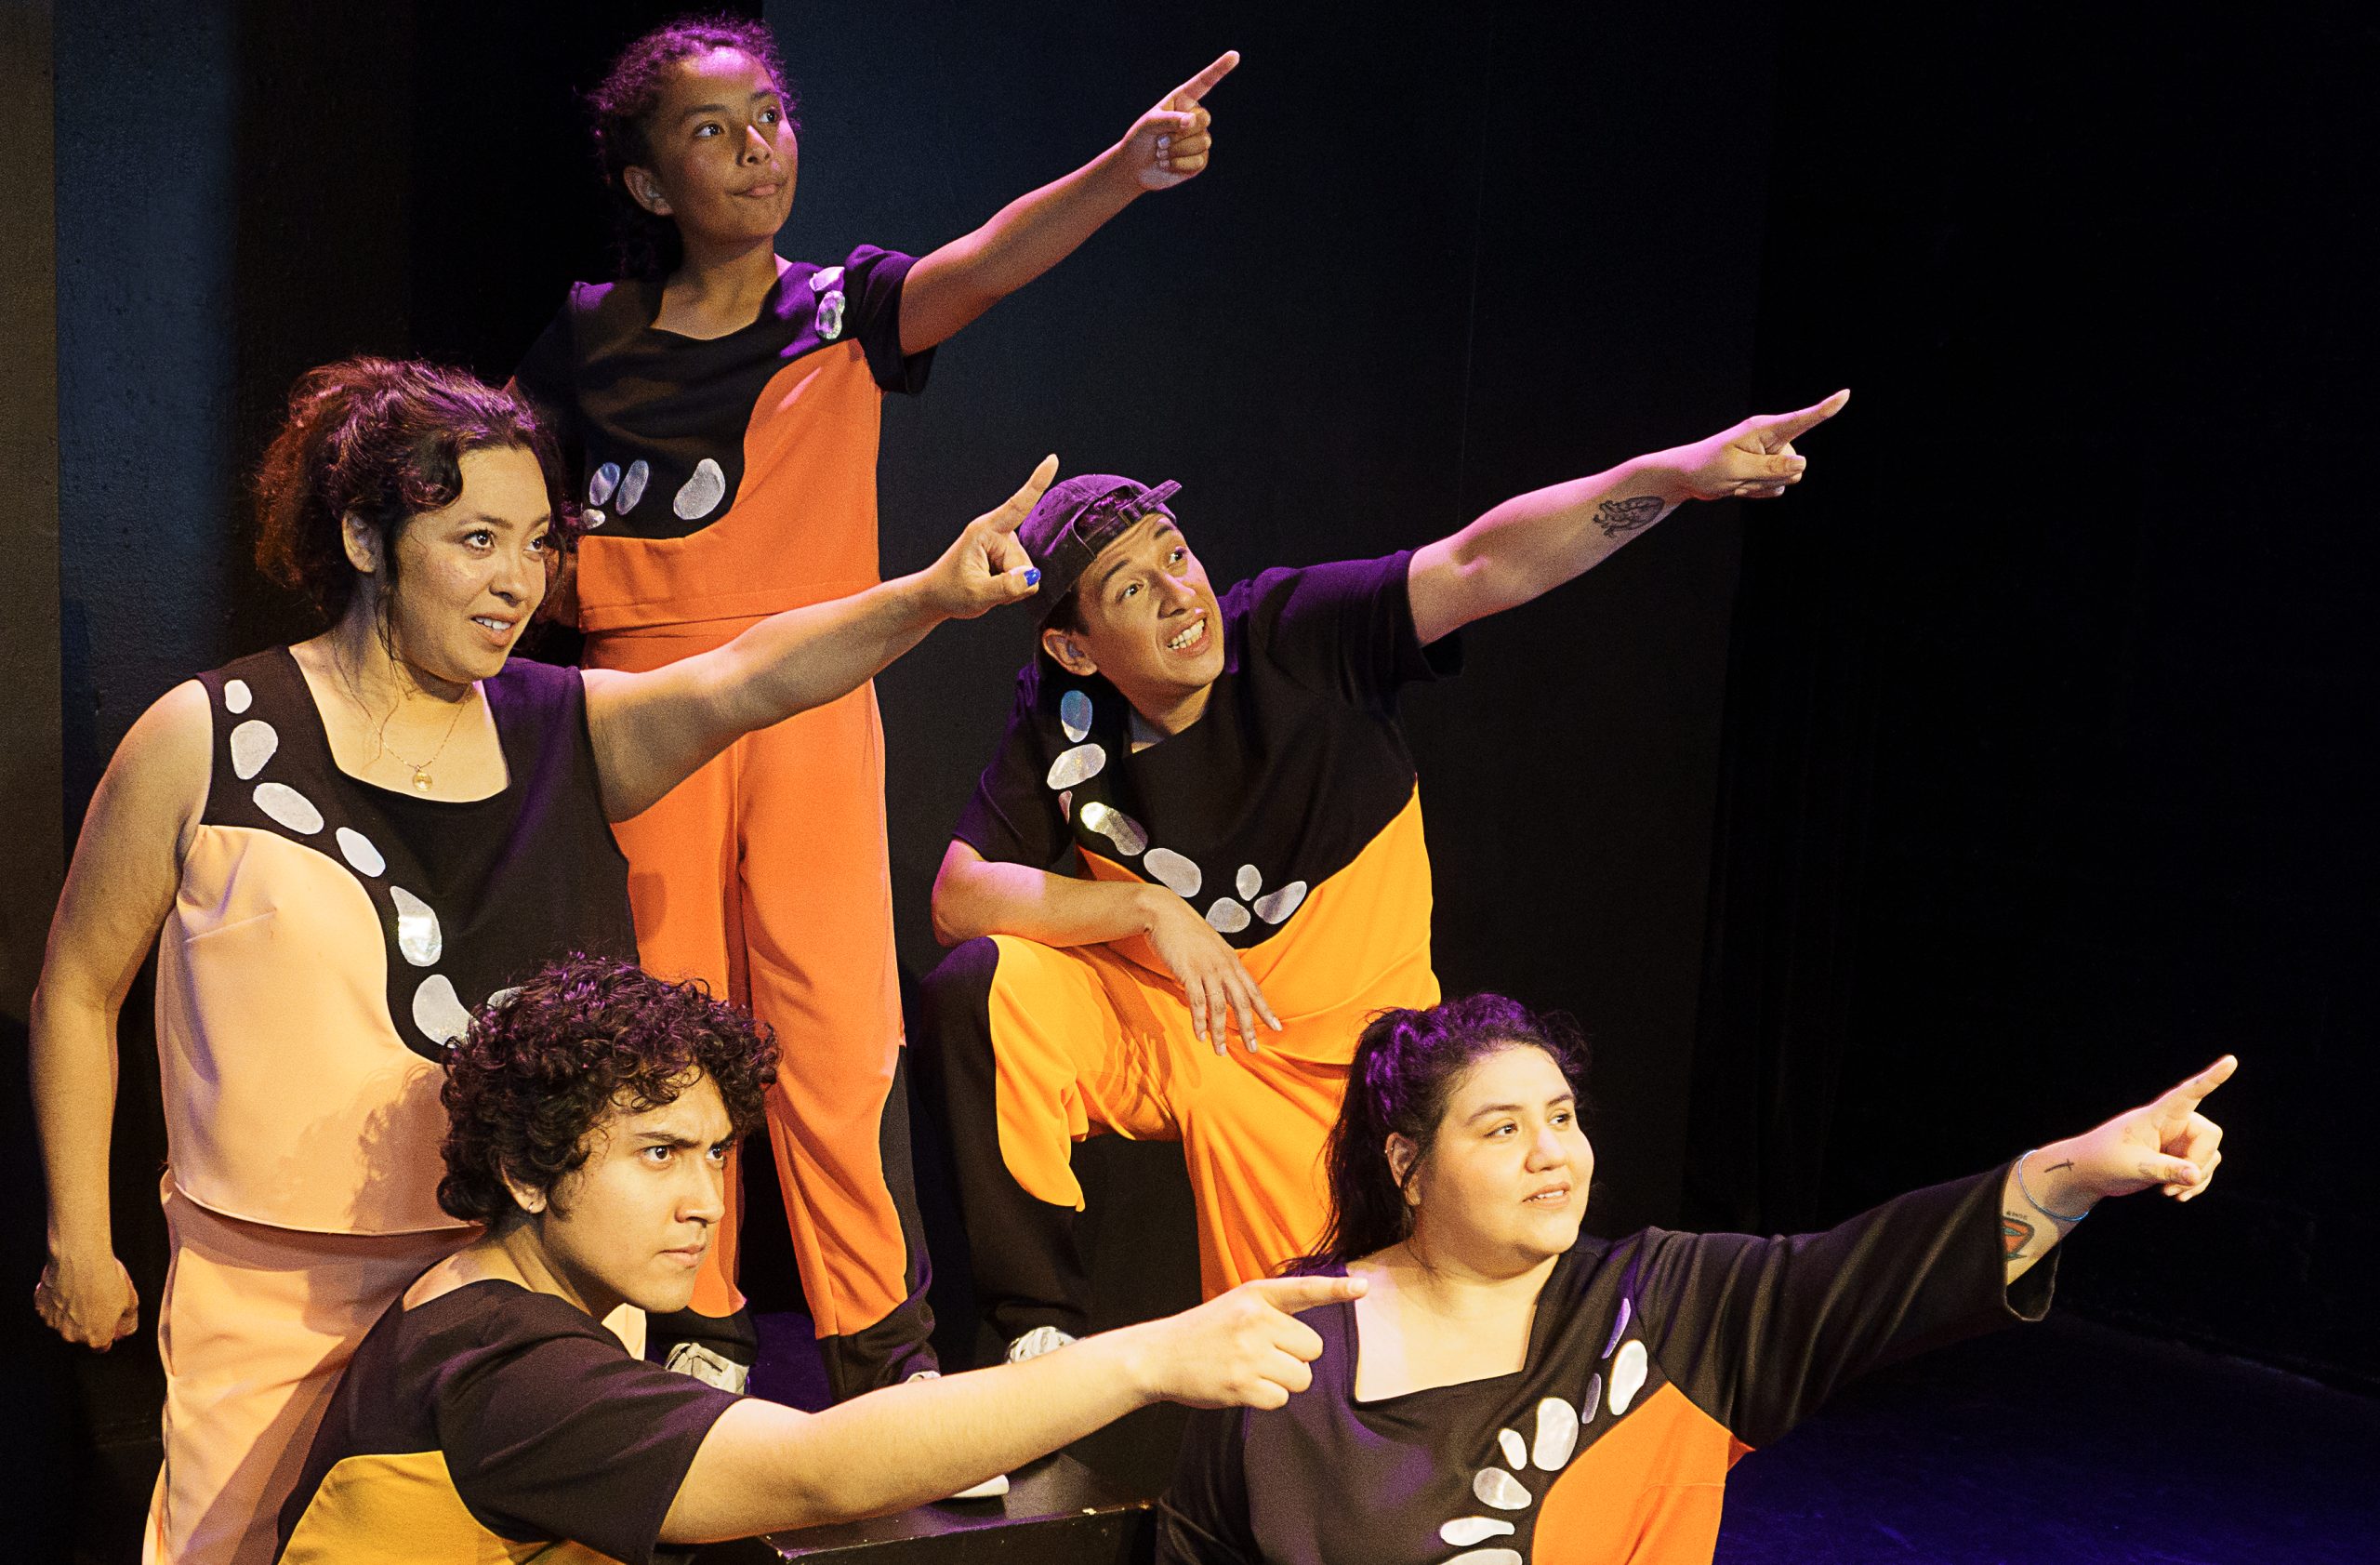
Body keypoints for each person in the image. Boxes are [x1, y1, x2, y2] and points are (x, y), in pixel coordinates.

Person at [28, 356, 1049, 1565]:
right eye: (476, 539)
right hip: (270, 1305)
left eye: (534, 543)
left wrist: (926, 596)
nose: (517, 578)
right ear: (363, 533)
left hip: (522, 1301)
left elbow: (749, 674)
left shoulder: (569, 727)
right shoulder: (207, 737)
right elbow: (79, 987)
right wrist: (78, 1239)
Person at [509, 15, 1242, 1398]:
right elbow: (502, 499)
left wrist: (1125, 169)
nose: (754, 151)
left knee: (834, 1021)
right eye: (711, 132)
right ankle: (695, 1324)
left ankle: (878, 1345)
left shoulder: (845, 307)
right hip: (641, 709)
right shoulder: (586, 337)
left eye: (770, 117)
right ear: (650, 181)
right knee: (663, 1020)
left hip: (815, 688)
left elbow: (991, 257)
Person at [918, 393, 1850, 1364]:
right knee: (986, 987)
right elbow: (959, 895)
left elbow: (1483, 562)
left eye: (1176, 556)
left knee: (1320, 1380)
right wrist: (1143, 908)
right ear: (1075, 648)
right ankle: (1031, 1336)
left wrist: (1671, 476)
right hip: (1193, 1033)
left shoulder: (1298, 635)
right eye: (1129, 590)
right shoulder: (1064, 721)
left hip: (1350, 1073)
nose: (1177, 595)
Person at [275, 955, 1361, 1563]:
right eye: (657, 1156)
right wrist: (1148, 1360)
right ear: (524, 1171)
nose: (704, 1204)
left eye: (713, 1156)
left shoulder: (481, 1302)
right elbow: (818, 1467)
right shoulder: (507, 1370)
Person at [1155, 994, 2234, 1565]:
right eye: (1502, 1129)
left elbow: (1884, 1267)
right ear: (1408, 1167)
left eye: (1563, 1119)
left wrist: (2081, 1173)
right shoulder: (1285, 1347)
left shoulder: (1667, 1303)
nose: (1553, 1154)